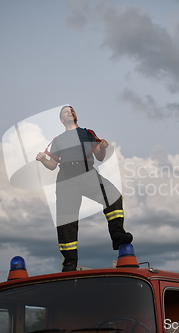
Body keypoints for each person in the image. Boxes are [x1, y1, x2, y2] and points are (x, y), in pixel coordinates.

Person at [36, 105, 133, 272]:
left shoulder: (87, 133)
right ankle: (69, 263)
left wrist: (102, 147)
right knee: (66, 219)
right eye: (66, 112)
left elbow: (100, 157)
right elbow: (52, 165)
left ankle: (118, 236)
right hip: (66, 177)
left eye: (72, 110)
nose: (70, 112)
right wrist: (43, 160)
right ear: (62, 119)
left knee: (113, 196)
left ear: (76, 116)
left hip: (87, 172)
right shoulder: (57, 140)